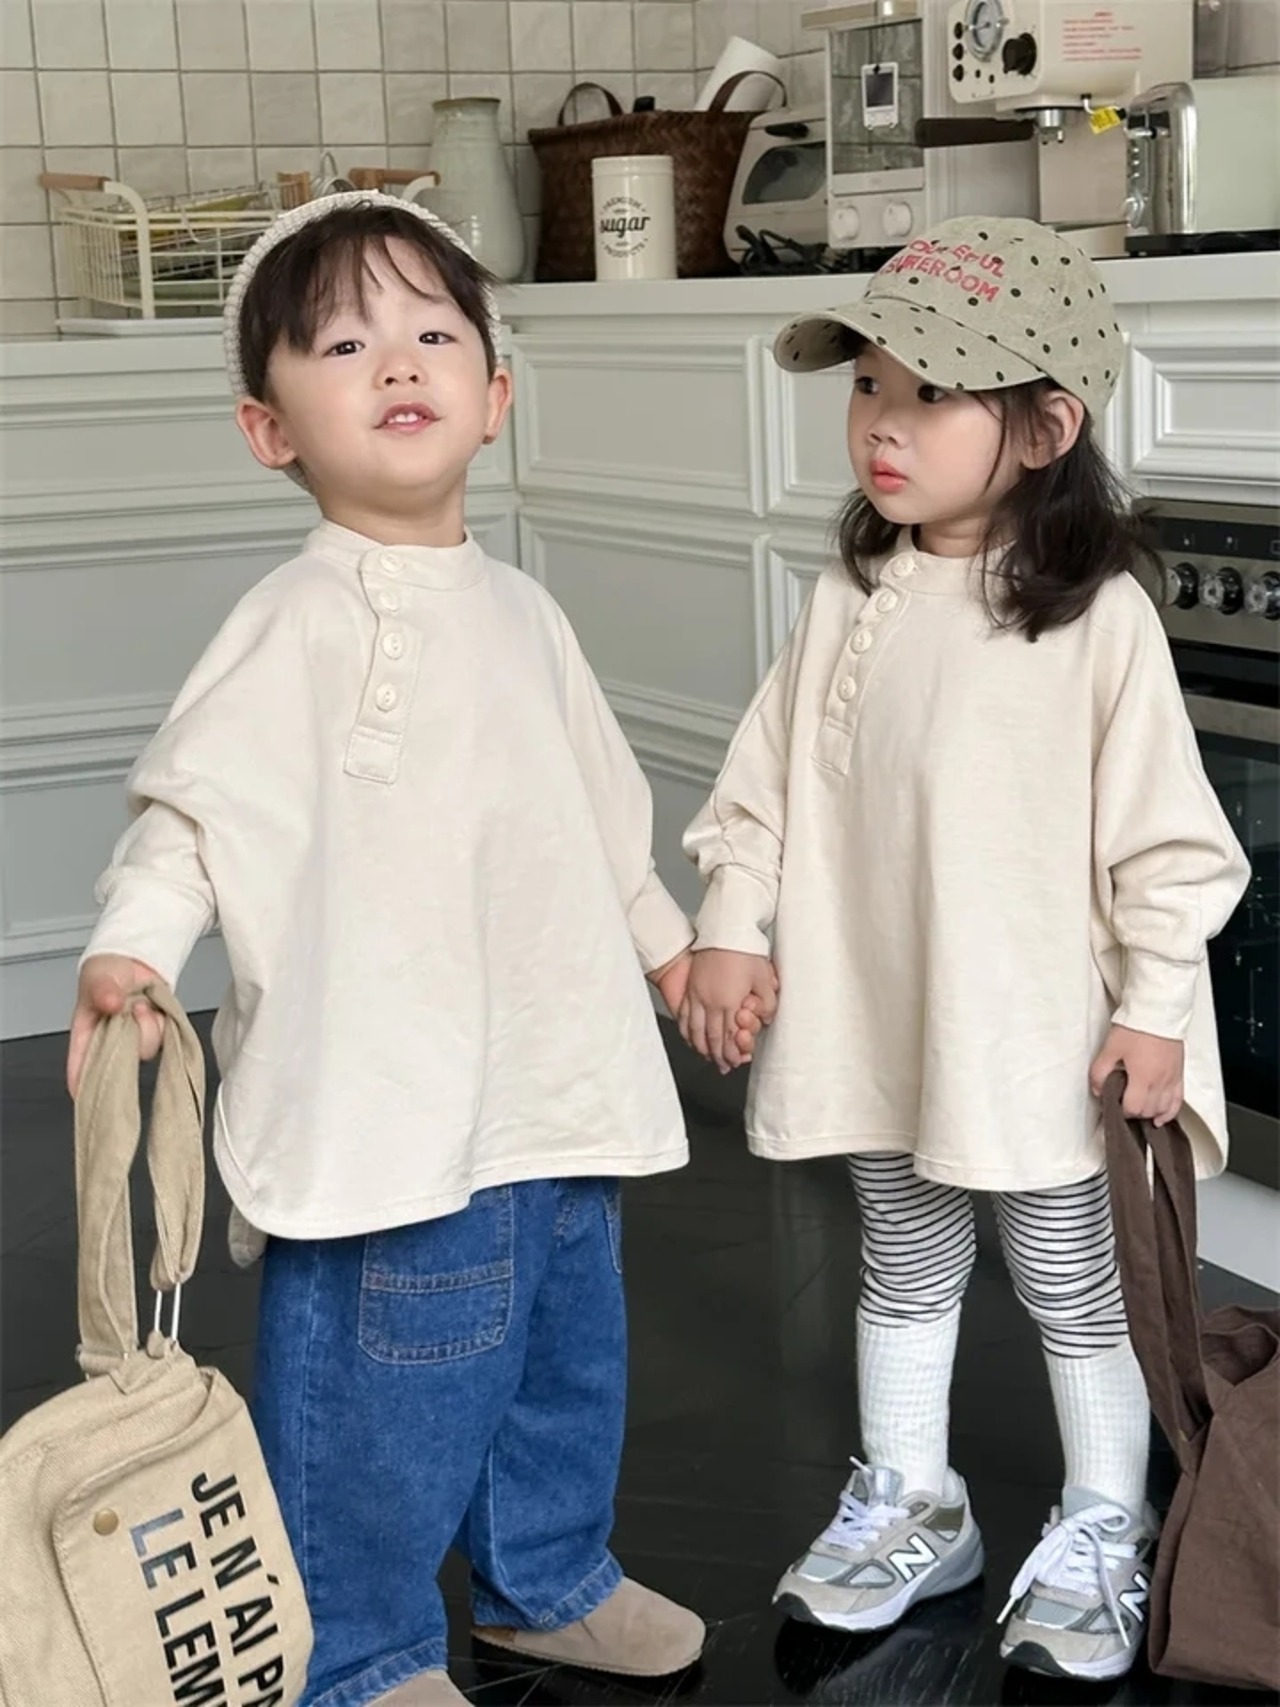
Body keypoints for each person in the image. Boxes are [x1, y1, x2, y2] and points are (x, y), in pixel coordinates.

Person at [66, 192, 764, 1707]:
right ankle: (358, 1644)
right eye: (343, 343)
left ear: (494, 397)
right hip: (384, 1094)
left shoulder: (525, 615)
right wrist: (133, 952)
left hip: (555, 1076)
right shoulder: (289, 623)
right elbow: (191, 817)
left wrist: (666, 951)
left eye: (434, 333)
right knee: (381, 1397)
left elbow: (600, 815)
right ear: (270, 431)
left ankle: (548, 1577)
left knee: (564, 1359)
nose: (397, 361)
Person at [677, 216, 1250, 1684]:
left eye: (931, 395)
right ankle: (914, 1500)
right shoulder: (847, 600)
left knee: (1070, 1282)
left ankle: (1106, 1518)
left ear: (1046, 429)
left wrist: (1155, 1005)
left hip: (1032, 1030)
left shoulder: (1097, 624)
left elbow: (1169, 845)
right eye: (870, 386)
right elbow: (763, 788)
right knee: (904, 1259)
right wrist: (732, 926)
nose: (884, 423)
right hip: (879, 1017)